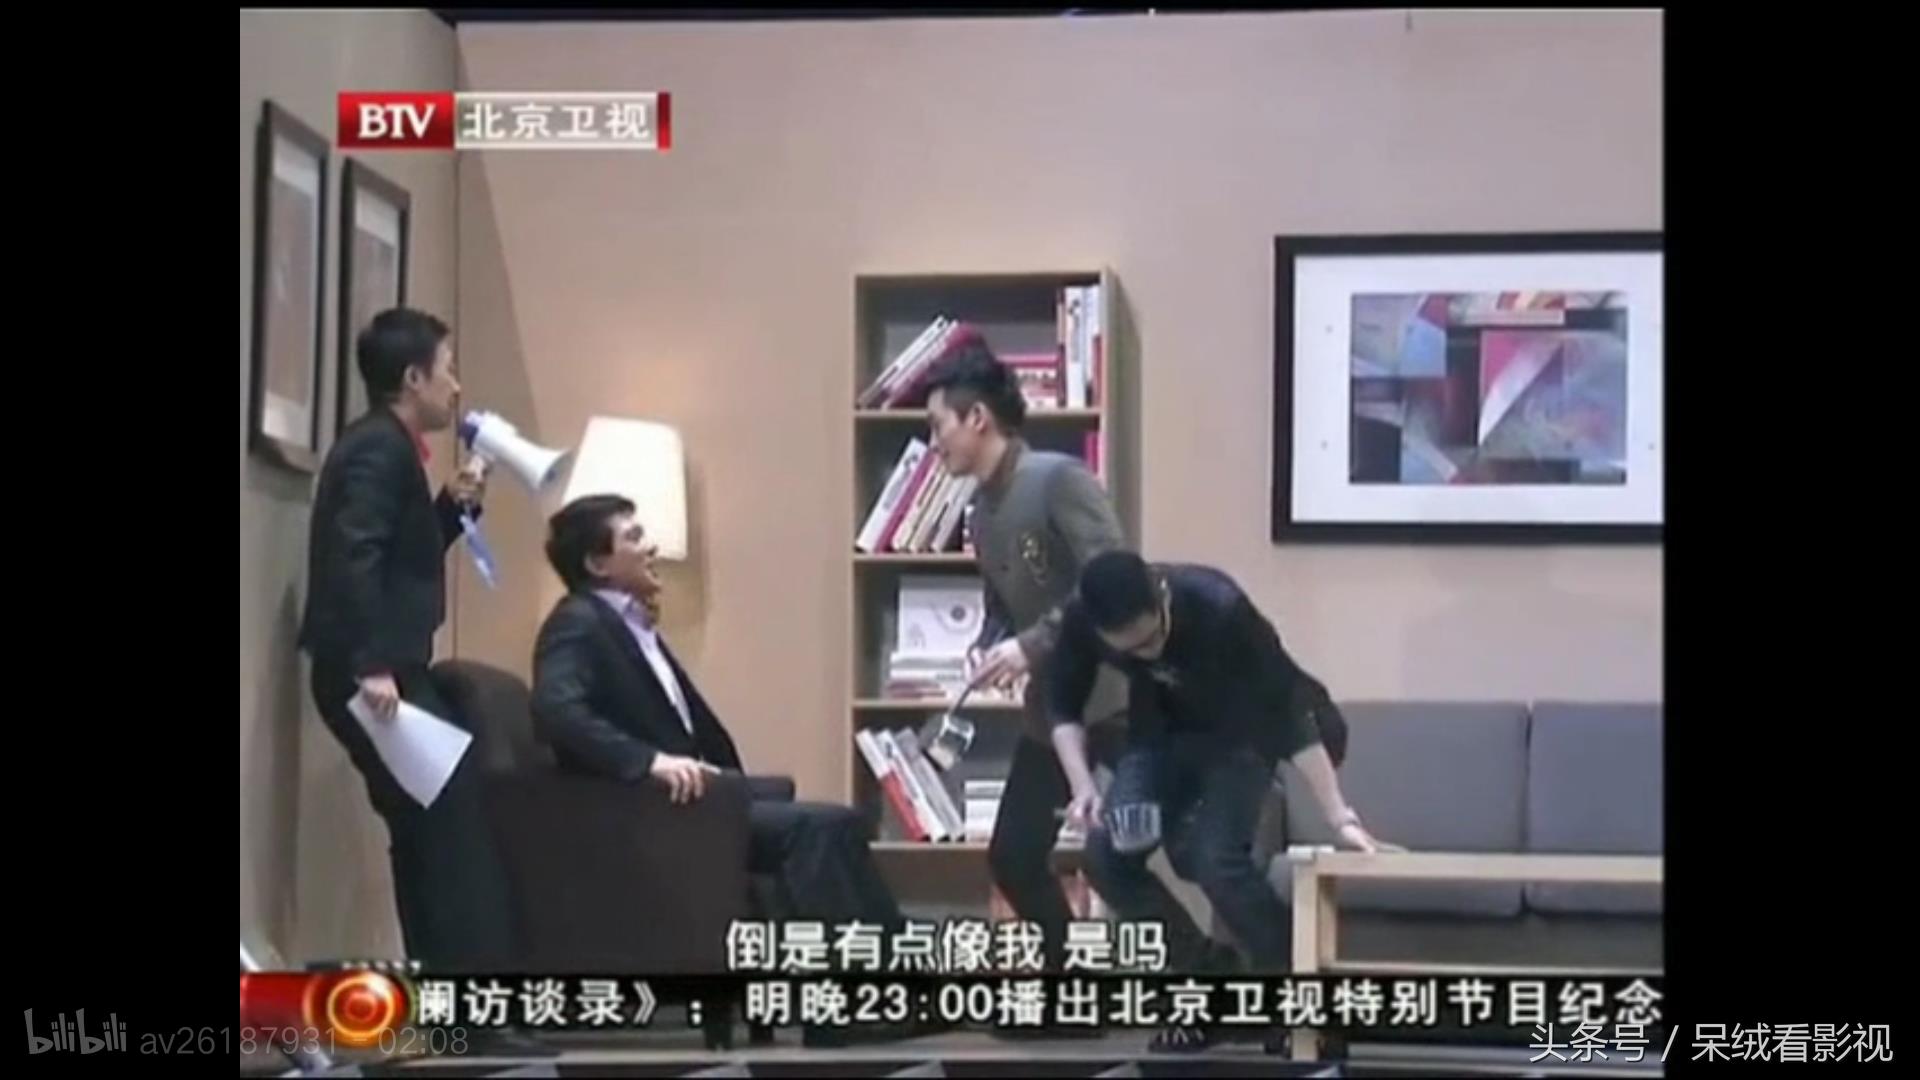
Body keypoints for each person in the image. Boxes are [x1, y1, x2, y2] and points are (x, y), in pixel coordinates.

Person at [1048, 551, 1401, 1052]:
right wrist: (1083, 787)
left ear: (1162, 595)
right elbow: (1062, 704)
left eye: (1154, 637)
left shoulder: (1219, 606)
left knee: (1215, 860)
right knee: (1105, 856)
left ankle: (1296, 999)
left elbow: (1288, 712)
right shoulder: (1083, 615)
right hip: (1159, 736)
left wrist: (1338, 815)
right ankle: (1207, 980)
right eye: (1133, 650)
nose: (1150, 654)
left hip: (1242, 736)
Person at [529, 495, 912, 942]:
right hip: (647, 812)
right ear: (598, 563)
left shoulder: (631, 624)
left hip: (696, 802)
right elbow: (556, 710)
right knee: (821, 829)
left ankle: (885, 955)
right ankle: (866, 962)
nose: (651, 546)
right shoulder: (577, 622)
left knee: (838, 825)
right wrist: (648, 761)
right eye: (634, 537)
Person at [299, 307, 517, 972]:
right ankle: (468, 992)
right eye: (447, 370)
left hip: (382, 667)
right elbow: (355, 555)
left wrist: (451, 509)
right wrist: (371, 664)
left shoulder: (387, 447)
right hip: (373, 673)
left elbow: (400, 558)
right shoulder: (378, 450)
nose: (456, 386)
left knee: (430, 830)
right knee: (450, 832)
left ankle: (445, 986)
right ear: (413, 378)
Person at [922, 344, 1129, 976]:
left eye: (938, 425)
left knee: (1143, 856)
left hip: (1121, 700)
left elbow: (1112, 584)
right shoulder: (980, 513)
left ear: (977, 418)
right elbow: (1003, 603)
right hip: (1053, 711)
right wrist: (991, 642)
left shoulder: (1058, 479)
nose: (933, 444)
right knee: (1013, 855)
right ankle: (1071, 987)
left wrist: (1030, 644)